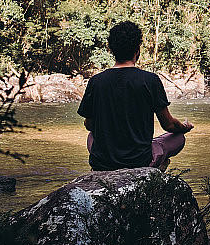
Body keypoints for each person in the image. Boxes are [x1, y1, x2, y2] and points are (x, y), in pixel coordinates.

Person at [78, 21, 193, 171]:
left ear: (111, 50)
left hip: (104, 162)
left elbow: (89, 125)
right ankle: (155, 163)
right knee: (178, 138)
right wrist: (184, 127)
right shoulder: (150, 80)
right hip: (139, 160)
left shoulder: (96, 81)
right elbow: (169, 125)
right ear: (137, 49)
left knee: (91, 136)